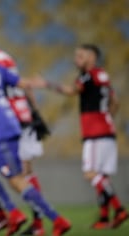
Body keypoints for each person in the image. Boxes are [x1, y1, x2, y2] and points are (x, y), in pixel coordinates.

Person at [0, 35, 71, 236]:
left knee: (17, 180)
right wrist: (45, 84)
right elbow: (22, 83)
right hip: (3, 126)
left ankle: (57, 219)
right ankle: (12, 213)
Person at [0, 23, 50, 236]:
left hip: (7, 122)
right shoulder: (4, 56)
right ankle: (10, 217)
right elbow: (21, 84)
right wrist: (34, 111)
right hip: (20, 116)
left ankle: (34, 222)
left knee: (13, 173)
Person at [45, 44, 128, 229]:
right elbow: (115, 102)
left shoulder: (88, 75)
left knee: (91, 173)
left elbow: (71, 91)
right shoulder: (103, 76)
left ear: (91, 57)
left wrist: (47, 84)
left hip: (95, 133)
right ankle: (105, 217)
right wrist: (106, 118)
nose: (76, 60)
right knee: (102, 176)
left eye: (80, 56)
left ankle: (119, 209)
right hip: (108, 131)